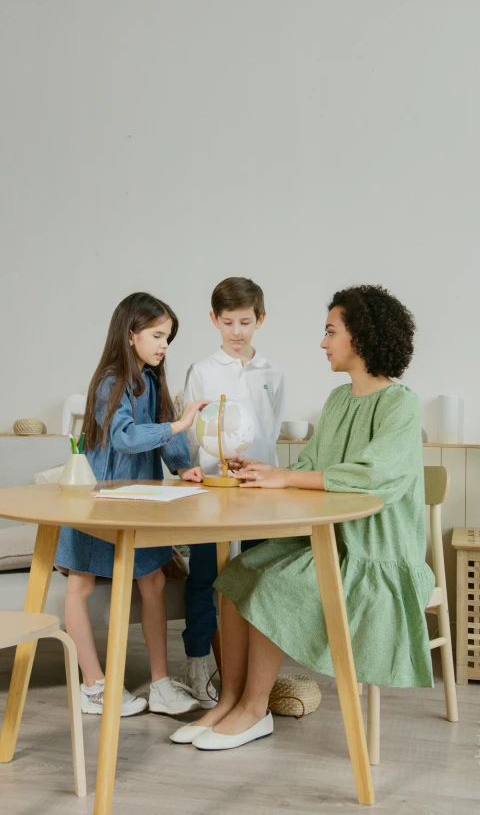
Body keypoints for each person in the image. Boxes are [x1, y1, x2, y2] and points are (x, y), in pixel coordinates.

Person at [170, 284, 435, 749]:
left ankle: (256, 711)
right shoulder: (337, 401)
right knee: (234, 577)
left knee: (273, 586)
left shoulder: (401, 404)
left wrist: (288, 479)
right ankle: (229, 701)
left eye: (331, 331)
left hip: (376, 553)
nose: (322, 342)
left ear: (361, 338)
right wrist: (266, 472)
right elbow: (310, 466)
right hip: (330, 540)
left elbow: (376, 476)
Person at [55, 292, 208, 717]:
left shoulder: (153, 379)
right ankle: (93, 685)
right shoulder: (110, 380)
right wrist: (178, 424)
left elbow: (165, 431)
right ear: (131, 333)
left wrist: (181, 468)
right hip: (98, 503)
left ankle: (160, 684)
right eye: (158, 335)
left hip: (141, 503)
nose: (163, 345)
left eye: (168, 338)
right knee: (79, 587)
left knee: (154, 583)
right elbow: (124, 436)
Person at [180, 277, 285, 707]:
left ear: (260, 319)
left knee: (259, 573)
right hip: (211, 490)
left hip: (258, 489)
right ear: (214, 321)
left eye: (245, 322)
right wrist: (194, 469)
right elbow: (189, 434)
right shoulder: (201, 372)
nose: (237, 331)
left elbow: (271, 431)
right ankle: (197, 659)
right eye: (228, 323)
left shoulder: (272, 373)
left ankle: (249, 671)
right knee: (205, 574)